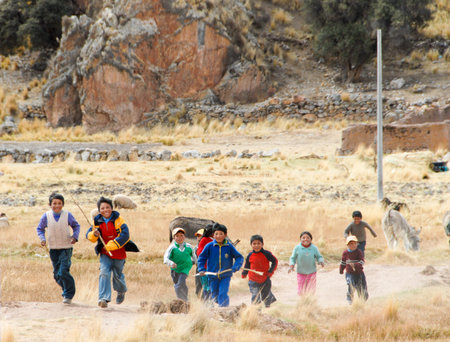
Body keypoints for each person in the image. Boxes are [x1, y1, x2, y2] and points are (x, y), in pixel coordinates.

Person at [86, 196, 138, 308]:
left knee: (118, 276)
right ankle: (103, 298)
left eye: (108, 207)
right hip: (105, 254)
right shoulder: (97, 221)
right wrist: (93, 235)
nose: (105, 210)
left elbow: (125, 235)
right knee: (104, 272)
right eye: (102, 208)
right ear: (99, 210)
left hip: (119, 253)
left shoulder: (119, 220)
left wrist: (111, 245)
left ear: (112, 208)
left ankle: (121, 291)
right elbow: (89, 235)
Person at [36, 193, 80, 305]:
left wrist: (75, 237)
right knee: (57, 275)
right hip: (53, 249)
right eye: (54, 203)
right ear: (50, 204)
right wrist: (42, 239)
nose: (57, 205)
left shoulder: (67, 215)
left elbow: (76, 226)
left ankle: (68, 294)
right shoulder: (46, 216)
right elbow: (40, 229)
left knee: (63, 271)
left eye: (59, 203)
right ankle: (66, 288)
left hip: (66, 248)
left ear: (63, 205)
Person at [197, 223, 244, 307]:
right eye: (216, 234)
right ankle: (223, 306)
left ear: (225, 235)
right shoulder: (209, 246)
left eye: (221, 234)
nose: (218, 236)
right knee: (214, 296)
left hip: (225, 275)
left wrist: (235, 267)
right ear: (213, 235)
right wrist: (201, 269)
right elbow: (201, 258)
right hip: (212, 276)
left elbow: (239, 257)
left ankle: (224, 310)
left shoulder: (229, 246)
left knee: (223, 293)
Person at [241, 234, 278, 307]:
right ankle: (255, 311)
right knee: (255, 295)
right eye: (254, 244)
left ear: (262, 244)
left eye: (258, 243)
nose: (256, 245)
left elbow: (275, 261)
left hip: (265, 279)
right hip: (253, 280)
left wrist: (270, 272)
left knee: (266, 295)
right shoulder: (250, 255)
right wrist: (244, 273)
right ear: (251, 245)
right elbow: (247, 265)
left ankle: (268, 309)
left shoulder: (266, 254)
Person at [163, 228, 197, 302]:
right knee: (180, 284)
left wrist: (196, 262)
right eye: (177, 236)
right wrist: (171, 263)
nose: (179, 238)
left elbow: (193, 255)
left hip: (185, 268)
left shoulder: (188, 247)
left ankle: (181, 300)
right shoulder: (172, 248)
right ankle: (185, 298)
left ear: (184, 237)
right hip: (175, 269)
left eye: (181, 235)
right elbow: (165, 258)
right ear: (174, 237)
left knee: (180, 283)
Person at [288, 231, 324, 295]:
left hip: (312, 272)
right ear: (300, 239)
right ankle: (303, 302)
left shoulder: (314, 248)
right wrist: (291, 265)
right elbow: (293, 258)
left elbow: (319, 256)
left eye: (308, 238)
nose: (305, 239)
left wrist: (320, 261)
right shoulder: (297, 248)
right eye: (303, 238)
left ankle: (310, 302)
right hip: (301, 273)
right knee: (301, 291)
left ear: (311, 239)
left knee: (311, 290)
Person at [340, 235, 369, 304]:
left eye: (354, 243)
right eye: (351, 244)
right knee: (351, 285)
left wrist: (355, 265)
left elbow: (362, 261)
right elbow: (343, 262)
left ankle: (363, 299)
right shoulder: (345, 253)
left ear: (357, 244)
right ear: (347, 245)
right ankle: (350, 299)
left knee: (361, 287)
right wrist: (341, 269)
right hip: (350, 273)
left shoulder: (359, 252)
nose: (353, 245)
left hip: (359, 273)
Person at [196, 225, 215, 300]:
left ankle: (210, 302)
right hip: (204, 267)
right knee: (207, 287)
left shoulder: (216, 241)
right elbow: (200, 253)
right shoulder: (204, 240)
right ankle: (208, 303)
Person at [194, 228, 204, 297]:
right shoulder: (195, 248)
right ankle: (197, 301)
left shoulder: (208, 246)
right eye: (198, 236)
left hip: (207, 269)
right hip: (198, 269)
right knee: (198, 286)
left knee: (206, 286)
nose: (199, 238)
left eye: (201, 236)